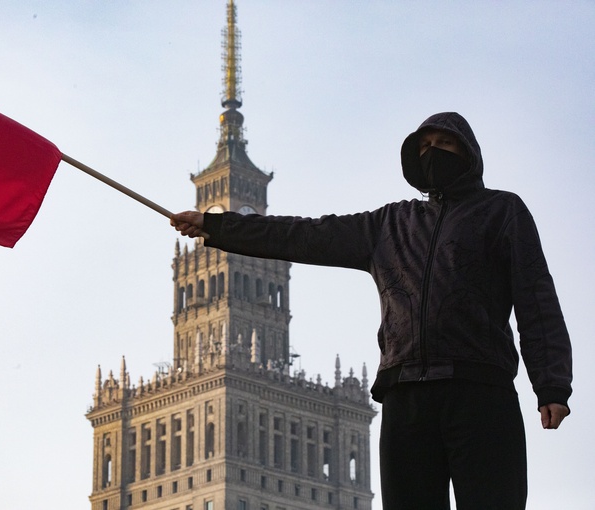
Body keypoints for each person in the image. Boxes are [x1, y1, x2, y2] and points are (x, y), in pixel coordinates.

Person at [170, 112, 572, 510]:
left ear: (467, 153)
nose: (434, 152)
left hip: (479, 388)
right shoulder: (391, 224)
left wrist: (551, 384)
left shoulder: (502, 212)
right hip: (405, 395)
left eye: (445, 144)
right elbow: (306, 235)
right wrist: (216, 227)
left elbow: (536, 298)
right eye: (425, 146)